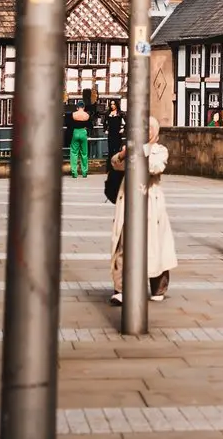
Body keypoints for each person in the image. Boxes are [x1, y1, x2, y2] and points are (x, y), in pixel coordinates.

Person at [109, 116, 178, 304]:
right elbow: (116, 164)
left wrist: (140, 153)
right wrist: (124, 154)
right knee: (123, 245)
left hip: (150, 203)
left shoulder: (160, 150)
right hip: (129, 200)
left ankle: (158, 287)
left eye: (149, 129)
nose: (146, 132)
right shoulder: (132, 148)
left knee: (155, 246)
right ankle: (120, 288)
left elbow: (155, 167)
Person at [67, 99, 92, 178]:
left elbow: (68, 125)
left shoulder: (73, 114)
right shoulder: (87, 115)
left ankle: (74, 172)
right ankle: (84, 172)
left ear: (77, 107)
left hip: (75, 132)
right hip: (83, 132)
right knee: (84, 153)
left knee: (74, 153)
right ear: (83, 107)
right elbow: (91, 126)